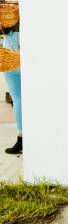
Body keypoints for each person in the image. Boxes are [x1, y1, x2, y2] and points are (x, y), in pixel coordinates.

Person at [2, 20, 22, 154]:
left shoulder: (5, 10)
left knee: (18, 98)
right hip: (22, 48)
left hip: (9, 53)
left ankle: (21, 139)